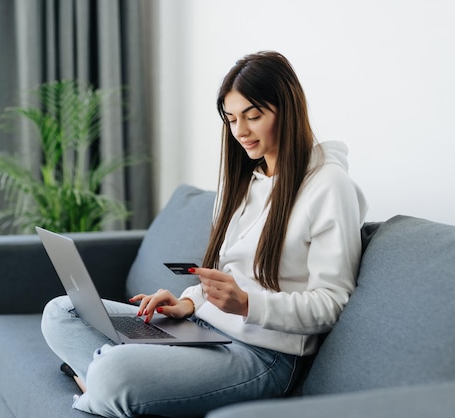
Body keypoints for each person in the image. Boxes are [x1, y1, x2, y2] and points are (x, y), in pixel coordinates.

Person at [41, 50, 368, 417]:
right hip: (202, 329)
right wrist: (189, 303)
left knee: (114, 373)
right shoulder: (244, 181)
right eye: (231, 119)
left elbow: (331, 303)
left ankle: (97, 381)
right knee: (62, 312)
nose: (240, 131)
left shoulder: (329, 186)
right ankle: (110, 384)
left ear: (288, 109)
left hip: (262, 355)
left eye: (253, 115)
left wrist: (247, 304)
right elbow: (225, 275)